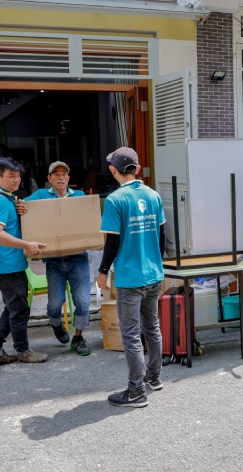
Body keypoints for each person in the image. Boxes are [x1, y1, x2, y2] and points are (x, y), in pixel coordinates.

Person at [96, 147, 166, 408]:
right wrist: (157, 265)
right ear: (136, 169)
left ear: (114, 170)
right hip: (153, 274)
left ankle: (136, 392)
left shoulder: (115, 200)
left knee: (131, 335)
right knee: (153, 327)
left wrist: (103, 272)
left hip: (130, 277)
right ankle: (154, 378)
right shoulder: (154, 196)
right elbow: (161, 237)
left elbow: (111, 242)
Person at [23, 161, 91, 356]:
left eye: (64, 174)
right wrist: (21, 207)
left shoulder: (79, 197)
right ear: (49, 179)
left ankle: (78, 338)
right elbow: (22, 203)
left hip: (78, 258)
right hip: (53, 260)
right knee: (54, 303)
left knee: (83, 302)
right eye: (56, 174)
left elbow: (88, 219)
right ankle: (55, 323)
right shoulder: (41, 195)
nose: (61, 177)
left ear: (69, 178)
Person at [0, 157, 48, 365]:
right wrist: (26, 245)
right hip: (6, 265)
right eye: (11, 176)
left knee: (12, 307)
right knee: (20, 309)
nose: (16, 180)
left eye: (18, 176)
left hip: (8, 264)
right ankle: (23, 351)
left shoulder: (7, 198)